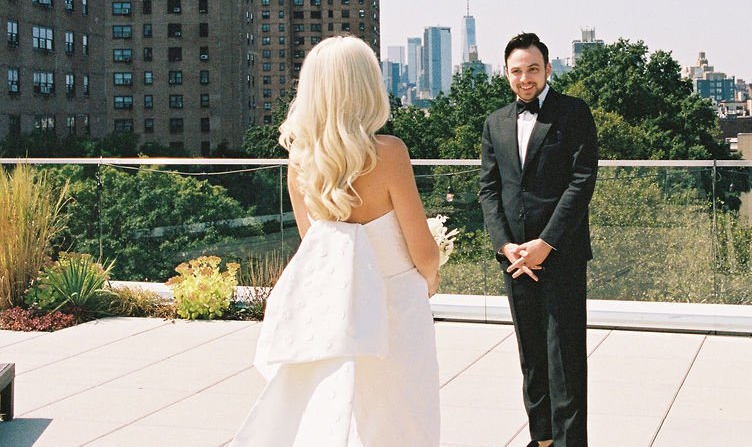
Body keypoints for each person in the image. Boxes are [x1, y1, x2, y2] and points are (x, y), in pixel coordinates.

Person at [231, 35, 441, 446]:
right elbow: (424, 253)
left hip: (337, 315)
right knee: (405, 423)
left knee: (339, 420)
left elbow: (317, 249)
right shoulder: (390, 153)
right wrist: (428, 280)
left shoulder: (300, 162)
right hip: (396, 311)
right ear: (367, 87)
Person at [479, 32, 599, 447]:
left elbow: (582, 182)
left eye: (533, 69)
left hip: (560, 253)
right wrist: (505, 245)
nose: (525, 78)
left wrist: (546, 243)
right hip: (516, 259)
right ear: (506, 74)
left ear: (548, 69)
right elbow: (489, 189)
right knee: (531, 354)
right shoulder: (494, 122)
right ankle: (542, 438)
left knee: (564, 356)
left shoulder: (574, 112)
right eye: (517, 71)